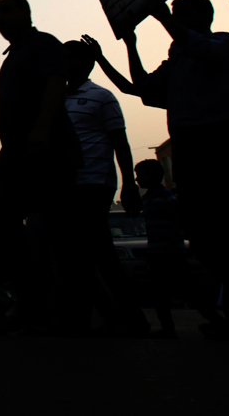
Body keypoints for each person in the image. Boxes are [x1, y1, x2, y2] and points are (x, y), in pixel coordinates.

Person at [84, 0, 229, 336]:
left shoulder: (221, 43)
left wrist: (164, 18)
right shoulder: (178, 57)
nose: (171, 19)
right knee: (200, 230)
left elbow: (200, 49)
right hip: (190, 149)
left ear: (200, 15)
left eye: (178, 13)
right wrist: (122, 49)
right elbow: (139, 88)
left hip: (220, 143)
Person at [0, 0, 83, 332]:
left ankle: (68, 309)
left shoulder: (43, 44)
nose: (0, 19)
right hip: (16, 155)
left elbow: (56, 84)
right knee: (2, 222)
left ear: (26, 13)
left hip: (48, 152)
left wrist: (42, 128)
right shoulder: (12, 56)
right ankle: (32, 299)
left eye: (6, 11)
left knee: (59, 232)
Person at [61, 39, 146, 335]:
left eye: (71, 58)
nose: (65, 63)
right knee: (82, 254)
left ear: (86, 63)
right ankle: (107, 316)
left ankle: (129, 319)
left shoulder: (102, 97)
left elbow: (119, 142)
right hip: (67, 185)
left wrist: (130, 185)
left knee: (97, 252)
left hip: (95, 181)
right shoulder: (56, 97)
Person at [135, 159, 184, 338]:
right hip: (156, 252)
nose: (137, 179)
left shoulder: (166, 199)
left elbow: (175, 226)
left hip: (170, 252)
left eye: (140, 175)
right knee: (159, 293)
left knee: (178, 289)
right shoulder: (148, 198)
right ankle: (167, 327)